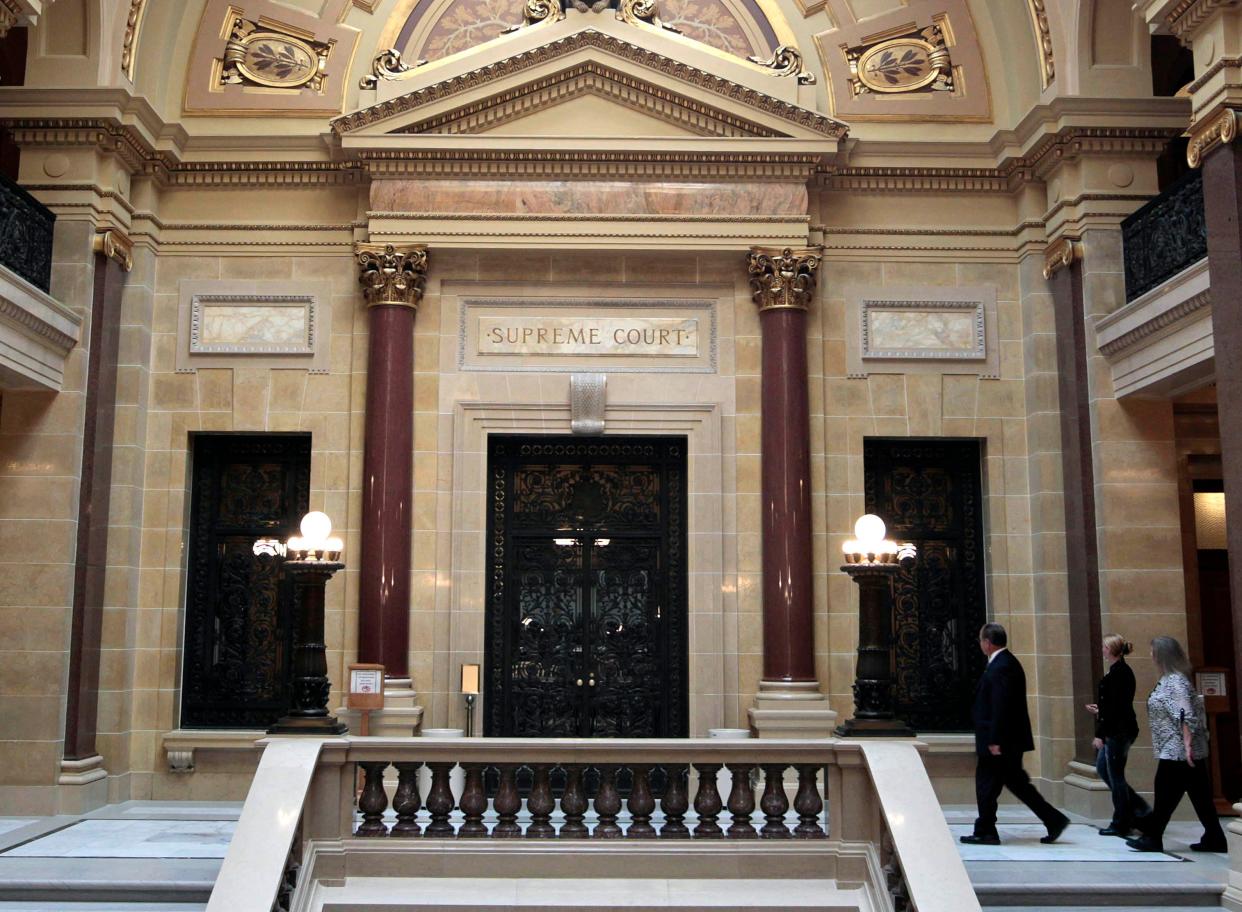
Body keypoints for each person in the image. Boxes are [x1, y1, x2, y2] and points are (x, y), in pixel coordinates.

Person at [961, 623, 1070, 846]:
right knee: (1016, 783)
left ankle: (986, 830)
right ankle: (1053, 819)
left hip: (1000, 742)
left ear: (987, 643)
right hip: (1005, 740)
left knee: (986, 786)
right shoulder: (1004, 663)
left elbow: (1002, 706)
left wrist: (994, 739)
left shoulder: (1002, 666)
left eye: (981, 641)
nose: (980, 644)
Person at [1126, 636, 1227, 853]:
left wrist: (1188, 744)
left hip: (1178, 750)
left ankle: (1152, 836)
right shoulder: (1173, 679)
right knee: (1200, 797)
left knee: (1164, 794)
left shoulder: (1175, 682)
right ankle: (1215, 836)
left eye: (1153, 651)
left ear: (1162, 655)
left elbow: (1185, 714)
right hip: (1182, 749)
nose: (1150, 655)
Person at [1086, 634, 1150, 836]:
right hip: (1118, 728)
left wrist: (1100, 734)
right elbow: (1113, 706)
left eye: (1105, 647)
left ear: (1112, 650)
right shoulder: (1118, 672)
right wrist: (1101, 710)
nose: (1102, 650)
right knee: (1105, 770)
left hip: (1118, 731)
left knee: (1115, 775)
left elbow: (1116, 709)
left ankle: (1122, 821)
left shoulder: (1119, 674)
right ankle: (1139, 811)